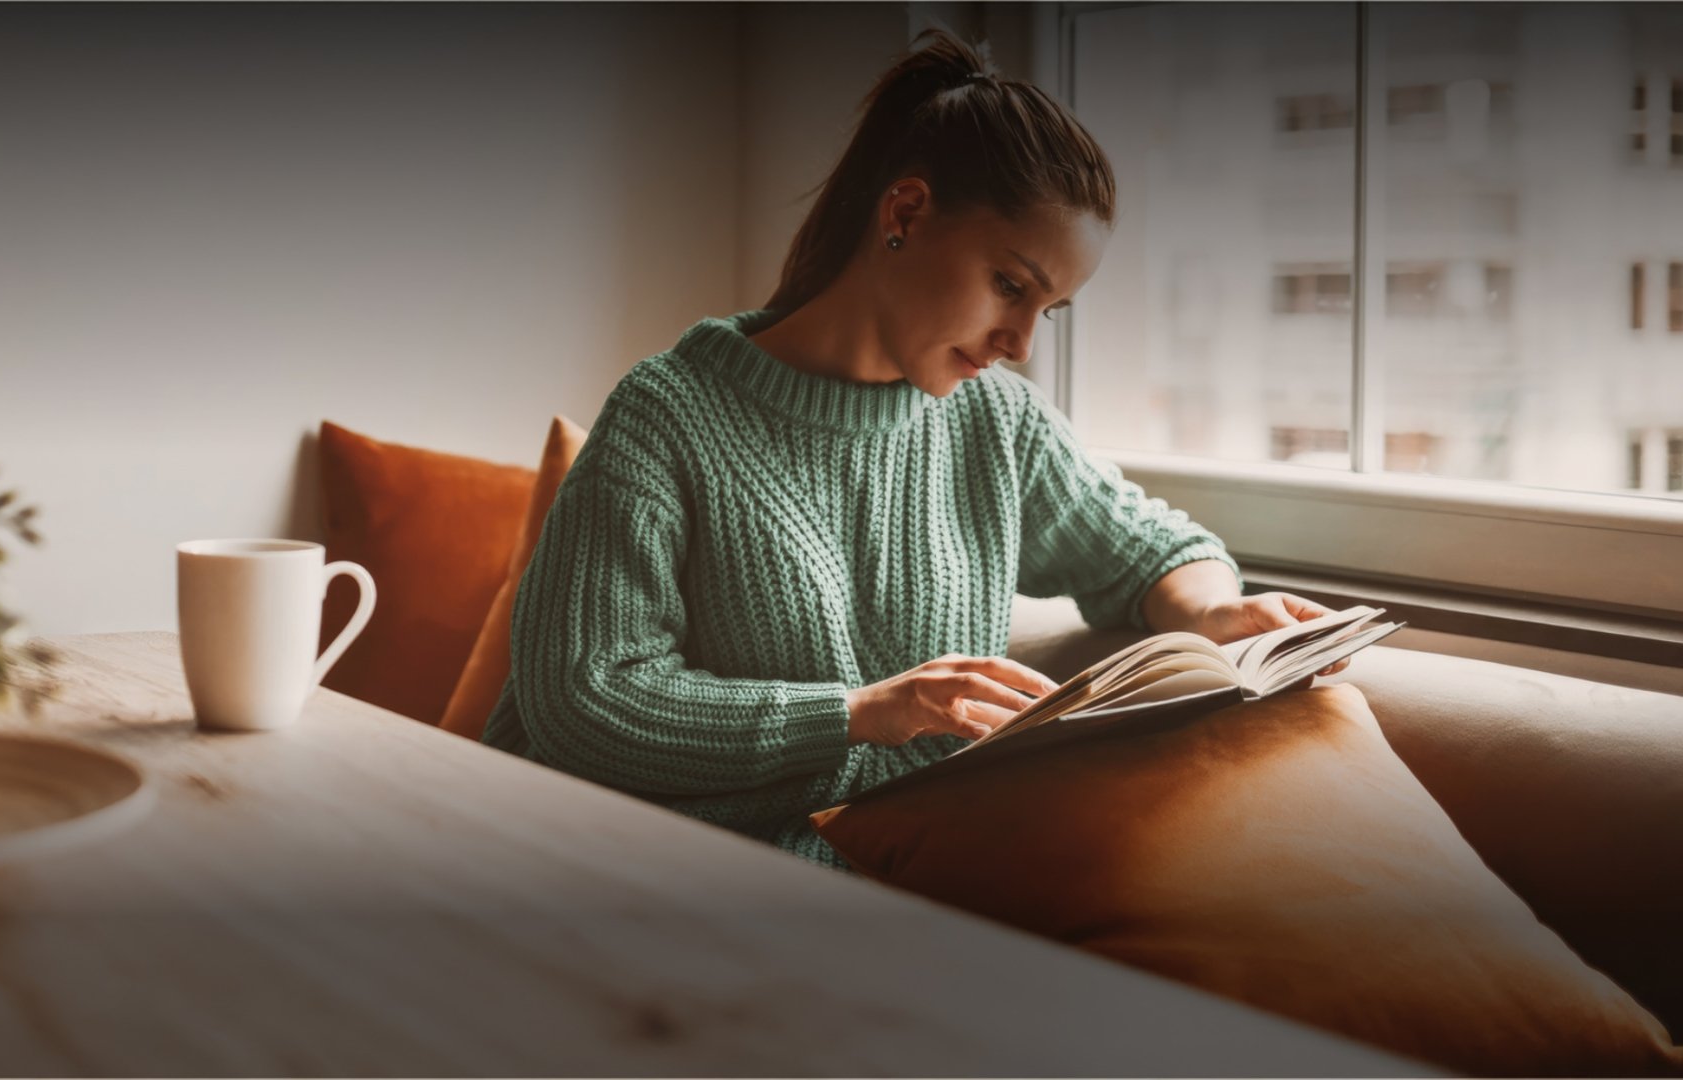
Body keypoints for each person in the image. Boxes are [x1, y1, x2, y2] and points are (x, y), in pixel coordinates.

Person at [481, 28, 1345, 871]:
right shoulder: (669, 415)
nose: (1021, 343)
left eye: (1050, 311)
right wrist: (859, 712)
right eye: (1011, 286)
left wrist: (1209, 612)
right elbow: (585, 702)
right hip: (603, 868)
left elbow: (1154, 550)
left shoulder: (996, 425)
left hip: (865, 891)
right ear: (906, 212)